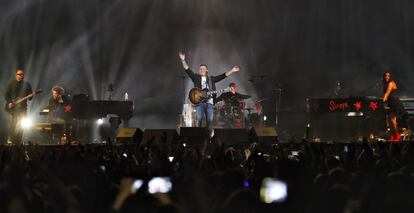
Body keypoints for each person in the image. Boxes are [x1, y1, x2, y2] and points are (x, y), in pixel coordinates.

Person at [178, 51, 240, 129]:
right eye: (200, 69)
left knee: (209, 121)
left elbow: (223, 76)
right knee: (199, 120)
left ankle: (208, 137)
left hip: (209, 103)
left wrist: (232, 71)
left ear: (207, 70)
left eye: (203, 69)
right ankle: (199, 136)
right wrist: (183, 60)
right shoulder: (196, 77)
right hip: (199, 103)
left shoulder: (211, 79)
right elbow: (187, 70)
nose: (202, 70)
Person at [4, 69, 33, 144]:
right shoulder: (11, 83)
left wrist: (30, 96)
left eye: (22, 74)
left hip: (23, 107)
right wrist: (9, 102)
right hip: (14, 107)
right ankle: (10, 138)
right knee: (14, 122)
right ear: (16, 75)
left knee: (22, 123)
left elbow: (30, 96)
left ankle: (18, 139)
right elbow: (6, 94)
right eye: (19, 74)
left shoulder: (27, 84)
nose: (21, 76)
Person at [382, 71, 405, 142]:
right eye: (385, 76)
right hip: (391, 103)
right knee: (390, 119)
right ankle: (393, 136)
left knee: (392, 119)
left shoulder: (391, 83)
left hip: (395, 102)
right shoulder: (385, 84)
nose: (387, 77)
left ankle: (397, 135)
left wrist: (383, 99)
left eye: (388, 76)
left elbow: (387, 93)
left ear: (390, 77)